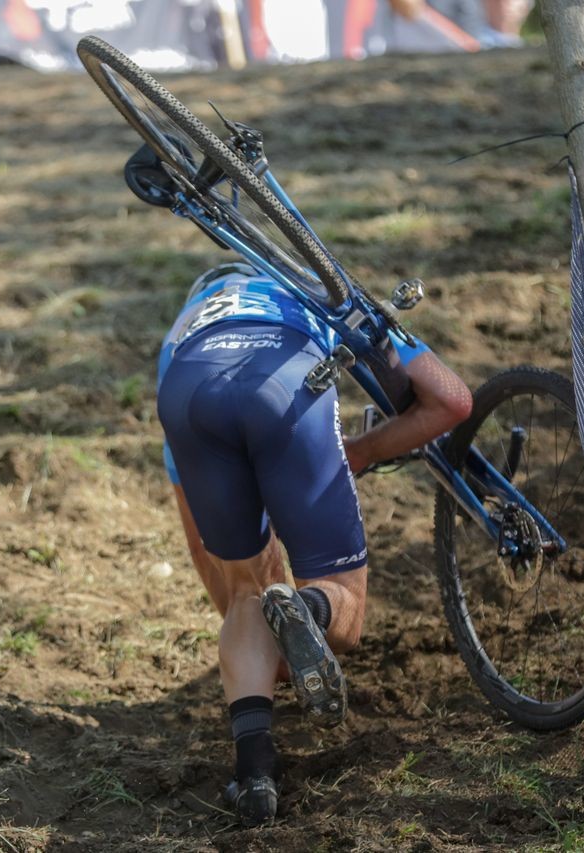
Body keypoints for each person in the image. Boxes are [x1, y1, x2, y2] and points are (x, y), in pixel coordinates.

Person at [156, 260, 472, 825]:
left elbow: (208, 558)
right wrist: (363, 450)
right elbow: (452, 401)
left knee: (248, 596)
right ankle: (308, 607)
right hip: (285, 385)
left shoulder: (181, 330)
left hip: (188, 391)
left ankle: (254, 776)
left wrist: (248, 607)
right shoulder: (314, 285)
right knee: (343, 614)